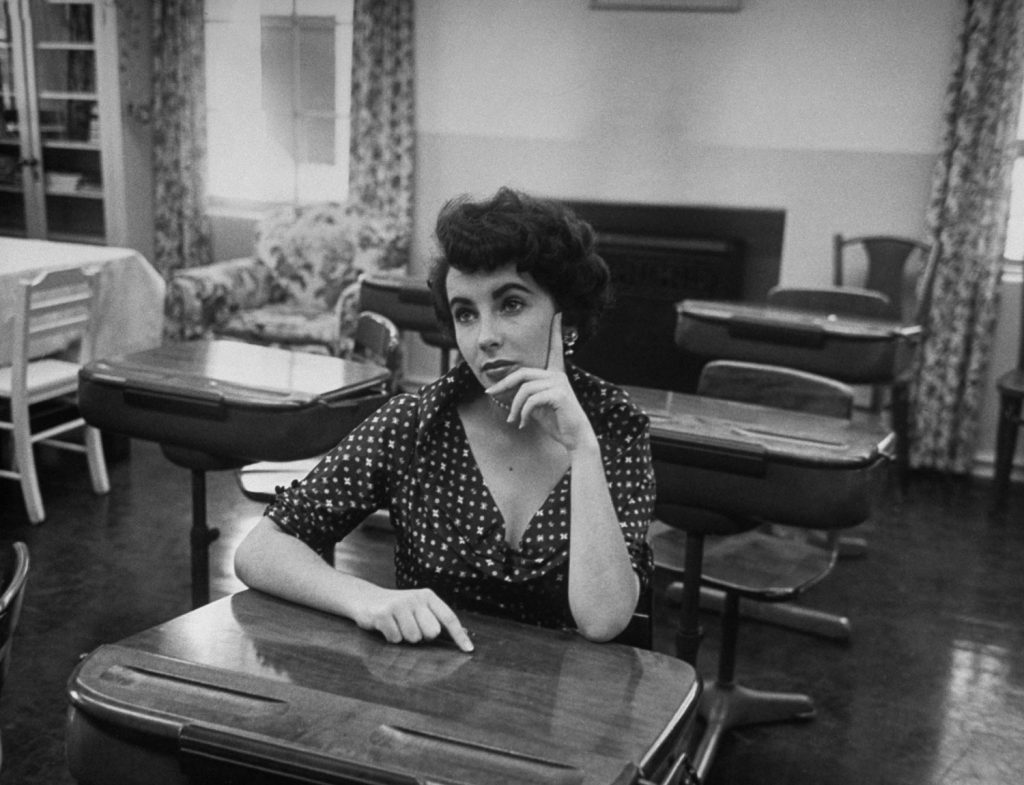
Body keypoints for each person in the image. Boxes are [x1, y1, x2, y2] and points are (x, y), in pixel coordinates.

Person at [234, 187, 655, 652]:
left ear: (565, 315)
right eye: (466, 314)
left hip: (565, 706)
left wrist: (582, 448)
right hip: (429, 697)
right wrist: (367, 599)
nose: (486, 337)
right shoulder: (415, 424)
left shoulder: (614, 426)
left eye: (510, 304)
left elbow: (603, 620)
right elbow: (260, 550)